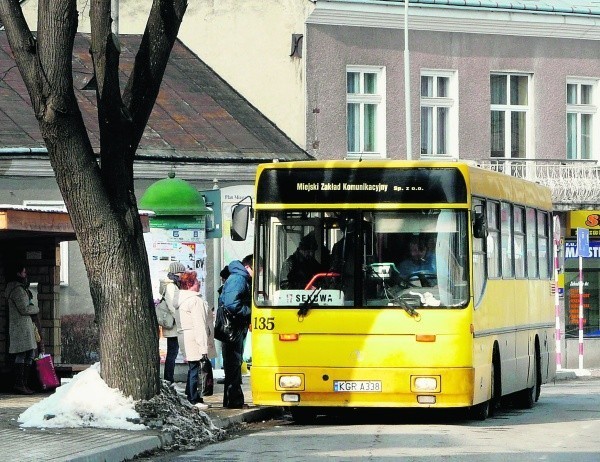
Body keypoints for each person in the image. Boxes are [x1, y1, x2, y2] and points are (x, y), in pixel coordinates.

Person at [177, 271, 216, 409]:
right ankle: (194, 398)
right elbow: (200, 324)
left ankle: (192, 396)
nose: (199, 283)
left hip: (186, 337)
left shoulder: (182, 299)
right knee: (197, 369)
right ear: (189, 284)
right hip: (195, 338)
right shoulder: (195, 300)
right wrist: (203, 347)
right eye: (196, 281)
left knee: (193, 368)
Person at [218, 254, 253, 409]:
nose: (256, 275)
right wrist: (250, 311)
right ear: (247, 267)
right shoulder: (239, 279)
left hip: (232, 327)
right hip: (232, 328)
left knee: (233, 364)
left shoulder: (237, 277)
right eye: (256, 270)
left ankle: (233, 399)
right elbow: (232, 304)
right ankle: (234, 400)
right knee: (233, 363)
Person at [4, 261, 40, 394]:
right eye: (24, 272)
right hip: (21, 327)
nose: (26, 274)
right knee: (23, 354)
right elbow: (25, 309)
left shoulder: (18, 288)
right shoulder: (18, 290)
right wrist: (36, 308)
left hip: (22, 327)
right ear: (18, 273)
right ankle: (20, 384)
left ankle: (23, 383)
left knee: (28, 353)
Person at [158, 261, 186, 384]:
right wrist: (181, 319)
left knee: (172, 352)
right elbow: (172, 305)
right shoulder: (171, 286)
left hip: (173, 324)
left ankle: (169, 378)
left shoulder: (172, 284)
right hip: (173, 324)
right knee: (172, 353)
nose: (183, 275)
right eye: (181, 272)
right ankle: (169, 379)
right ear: (176, 273)